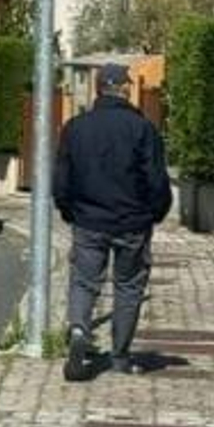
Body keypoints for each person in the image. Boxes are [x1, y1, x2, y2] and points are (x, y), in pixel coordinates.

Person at [54, 63, 173, 381]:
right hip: (132, 222)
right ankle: (119, 356)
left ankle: (79, 329)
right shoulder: (142, 128)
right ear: (123, 89)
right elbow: (156, 179)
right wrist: (156, 212)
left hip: (88, 220)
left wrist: (67, 210)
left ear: (98, 89)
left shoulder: (75, 128)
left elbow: (62, 177)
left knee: (84, 281)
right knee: (129, 287)